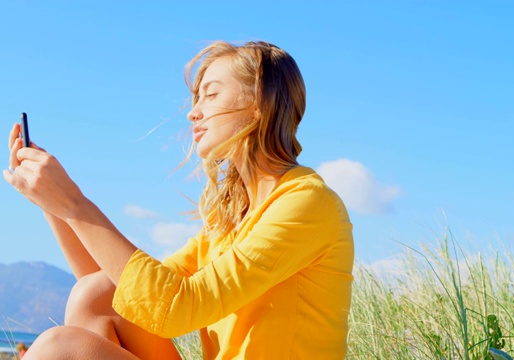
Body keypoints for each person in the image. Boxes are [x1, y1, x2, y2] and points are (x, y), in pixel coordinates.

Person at [4, 40, 354, 359]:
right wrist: (54, 205)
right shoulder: (231, 218)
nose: (193, 112)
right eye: (196, 98)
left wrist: (73, 203)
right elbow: (120, 293)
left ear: (259, 104)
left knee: (57, 347)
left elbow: (177, 309)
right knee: (93, 298)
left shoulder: (307, 203)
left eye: (211, 95)